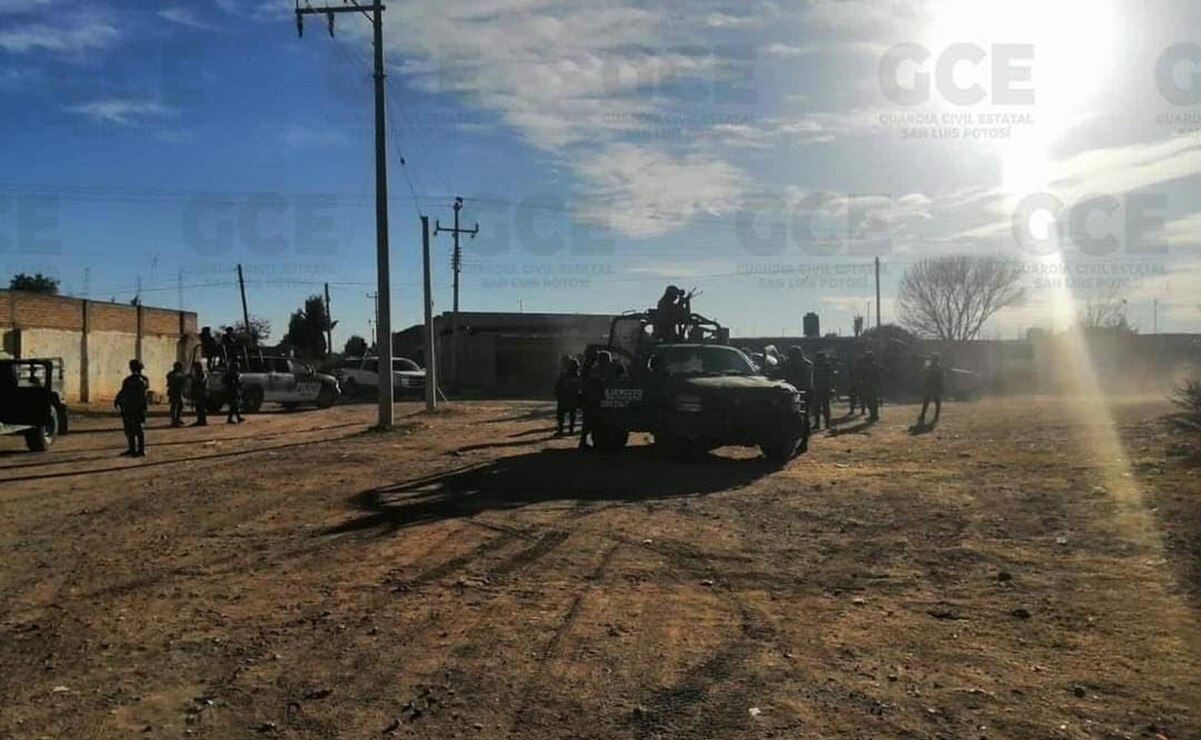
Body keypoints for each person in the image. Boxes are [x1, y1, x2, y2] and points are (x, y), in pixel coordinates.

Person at [115, 359, 149, 457]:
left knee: (135, 428)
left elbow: (123, 392)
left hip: (133, 407)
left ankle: (138, 449)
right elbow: (123, 392)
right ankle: (135, 449)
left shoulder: (135, 380)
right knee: (134, 428)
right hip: (134, 407)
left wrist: (118, 400)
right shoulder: (141, 379)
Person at [578, 351, 611, 451]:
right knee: (594, 422)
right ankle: (590, 442)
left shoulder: (593, 369)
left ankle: (587, 442)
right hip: (594, 400)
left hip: (591, 399)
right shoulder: (597, 371)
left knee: (589, 422)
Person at [555, 358, 582, 437]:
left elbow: (558, 386)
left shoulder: (566, 376)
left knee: (563, 415)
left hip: (567, 398)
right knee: (570, 415)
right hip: (570, 398)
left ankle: (562, 430)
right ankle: (569, 430)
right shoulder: (578, 377)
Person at [918, 353, 945, 426]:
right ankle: (923, 415)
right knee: (926, 402)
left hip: (935, 386)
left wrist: (941, 386)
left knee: (936, 402)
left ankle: (935, 416)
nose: (934, 360)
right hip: (930, 386)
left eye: (934, 359)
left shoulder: (937, 368)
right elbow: (925, 373)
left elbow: (941, 378)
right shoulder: (931, 366)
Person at [811, 351, 833, 431]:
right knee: (820, 407)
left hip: (823, 389)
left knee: (824, 407)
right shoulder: (818, 365)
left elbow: (830, 378)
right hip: (820, 389)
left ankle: (825, 424)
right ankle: (820, 424)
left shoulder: (825, 366)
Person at [860, 350, 882, 421]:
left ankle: (874, 415)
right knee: (871, 401)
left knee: (871, 401)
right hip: (870, 385)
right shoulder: (872, 366)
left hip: (870, 385)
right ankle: (873, 415)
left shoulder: (868, 366)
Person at [166, 361, 186, 427]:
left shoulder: (179, 374)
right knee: (174, 406)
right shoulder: (172, 374)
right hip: (174, 392)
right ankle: (174, 420)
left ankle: (177, 418)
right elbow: (171, 383)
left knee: (180, 405)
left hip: (178, 392)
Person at [190, 361, 209, 426]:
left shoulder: (203, 374)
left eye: (196, 367)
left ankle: (203, 421)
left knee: (202, 408)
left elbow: (201, 381)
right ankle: (199, 420)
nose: (195, 369)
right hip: (197, 393)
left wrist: (193, 379)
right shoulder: (196, 374)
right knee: (198, 408)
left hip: (202, 393)